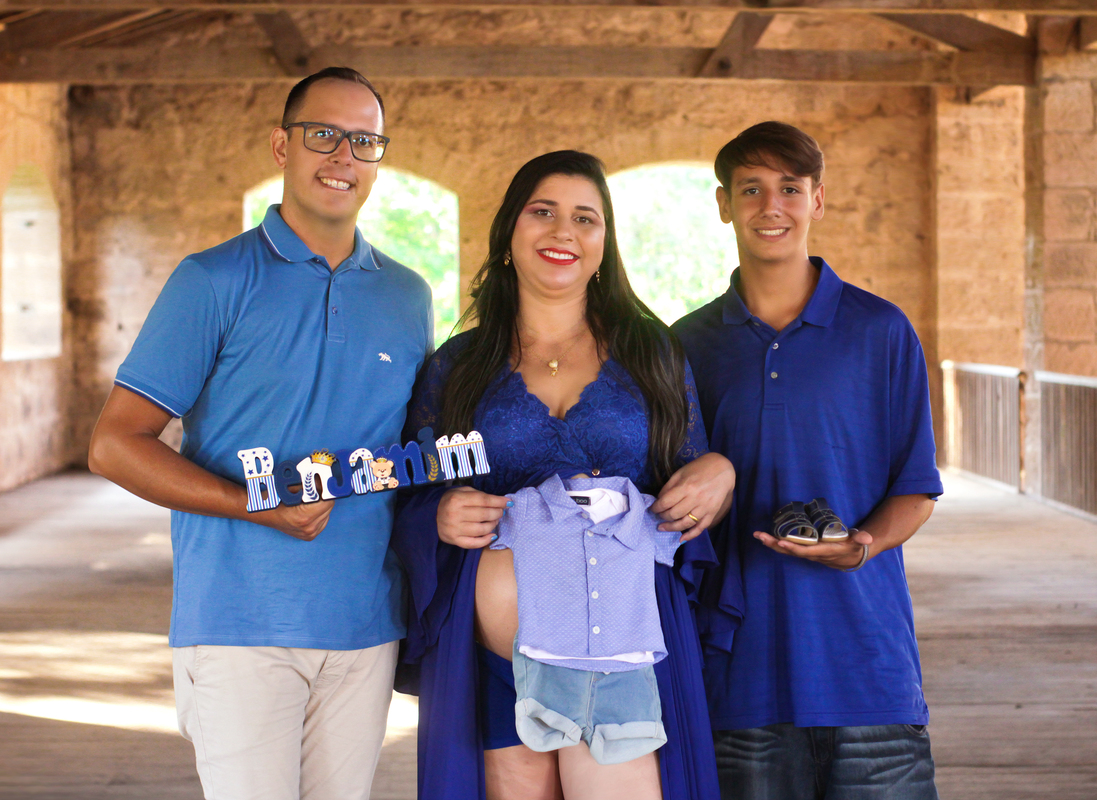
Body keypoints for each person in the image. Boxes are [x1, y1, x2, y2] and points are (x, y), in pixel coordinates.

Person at [88, 67, 433, 800]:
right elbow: (114, 444)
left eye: (364, 141)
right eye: (323, 135)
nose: (343, 156)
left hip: (367, 621)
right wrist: (255, 501)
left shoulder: (409, 295)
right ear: (282, 145)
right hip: (238, 620)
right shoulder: (211, 280)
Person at [391, 150, 733, 800]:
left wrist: (720, 472)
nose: (563, 232)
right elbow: (409, 492)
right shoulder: (458, 367)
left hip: (619, 651)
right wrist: (436, 513)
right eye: (542, 211)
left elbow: (691, 477)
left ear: (604, 244)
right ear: (509, 231)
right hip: (494, 658)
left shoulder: (651, 353)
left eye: (585, 218)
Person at [673, 121, 944, 799]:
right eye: (752, 189)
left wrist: (864, 543)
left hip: (866, 665)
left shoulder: (881, 330)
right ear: (722, 204)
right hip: (737, 673)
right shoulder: (686, 345)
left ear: (817, 200)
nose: (772, 206)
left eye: (790, 189)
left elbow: (916, 488)